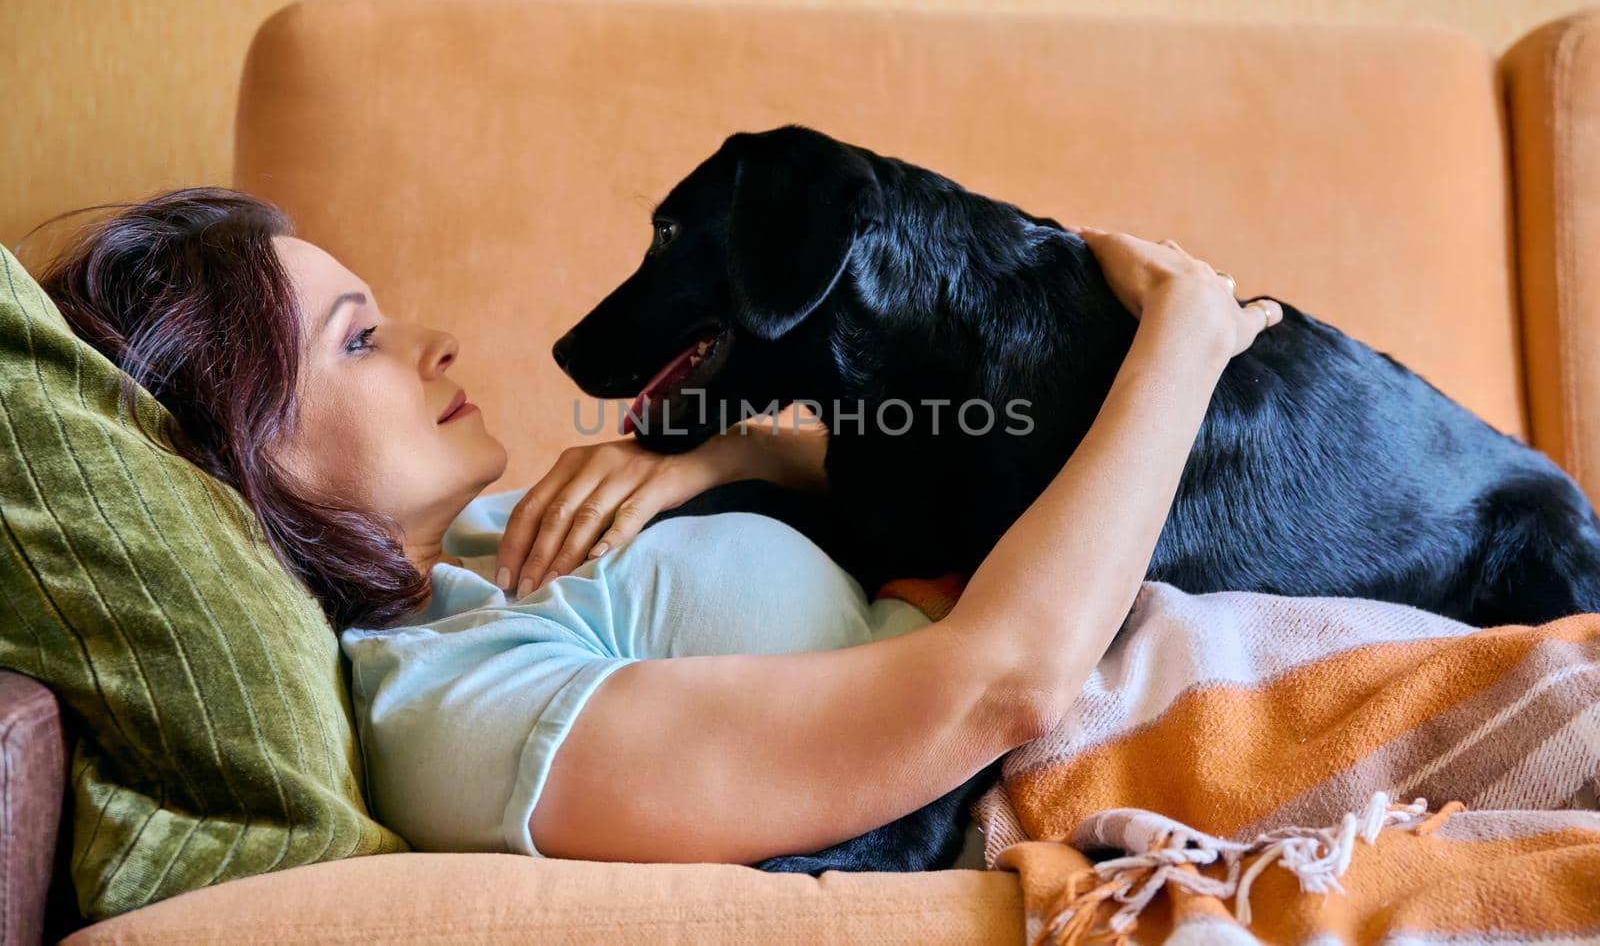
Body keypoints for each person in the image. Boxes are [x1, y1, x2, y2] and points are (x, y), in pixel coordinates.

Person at [38, 186, 1280, 867]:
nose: (435, 343)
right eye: (357, 339)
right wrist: (1183, 339)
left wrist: (728, 450)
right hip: (1164, 729)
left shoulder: (492, 541)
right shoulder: (459, 711)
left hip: (1201, 618)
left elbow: (909, 490)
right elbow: (992, 688)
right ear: (250, 451)